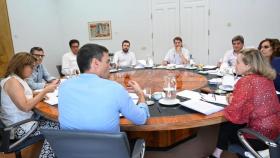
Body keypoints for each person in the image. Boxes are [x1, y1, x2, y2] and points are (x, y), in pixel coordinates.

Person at [58, 43, 150, 132]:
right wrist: (141, 95)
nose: (110, 66)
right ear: (95, 63)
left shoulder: (63, 87)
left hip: (69, 147)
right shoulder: (115, 89)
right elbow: (141, 119)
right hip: (109, 147)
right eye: (107, 62)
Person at [210, 48, 280, 158]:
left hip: (258, 138)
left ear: (248, 65)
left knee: (227, 122)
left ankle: (216, 155)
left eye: (238, 62)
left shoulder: (246, 81)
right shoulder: (267, 78)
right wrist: (236, 99)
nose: (235, 64)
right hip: (274, 133)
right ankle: (216, 154)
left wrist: (230, 100)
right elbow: (254, 103)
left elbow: (235, 114)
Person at [0, 52, 59, 158]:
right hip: (18, 128)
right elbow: (25, 107)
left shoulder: (15, 79)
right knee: (57, 127)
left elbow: (22, 96)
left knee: (54, 123)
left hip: (22, 123)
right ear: (20, 65)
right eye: (31, 67)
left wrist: (35, 94)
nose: (32, 70)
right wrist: (44, 92)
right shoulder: (13, 82)